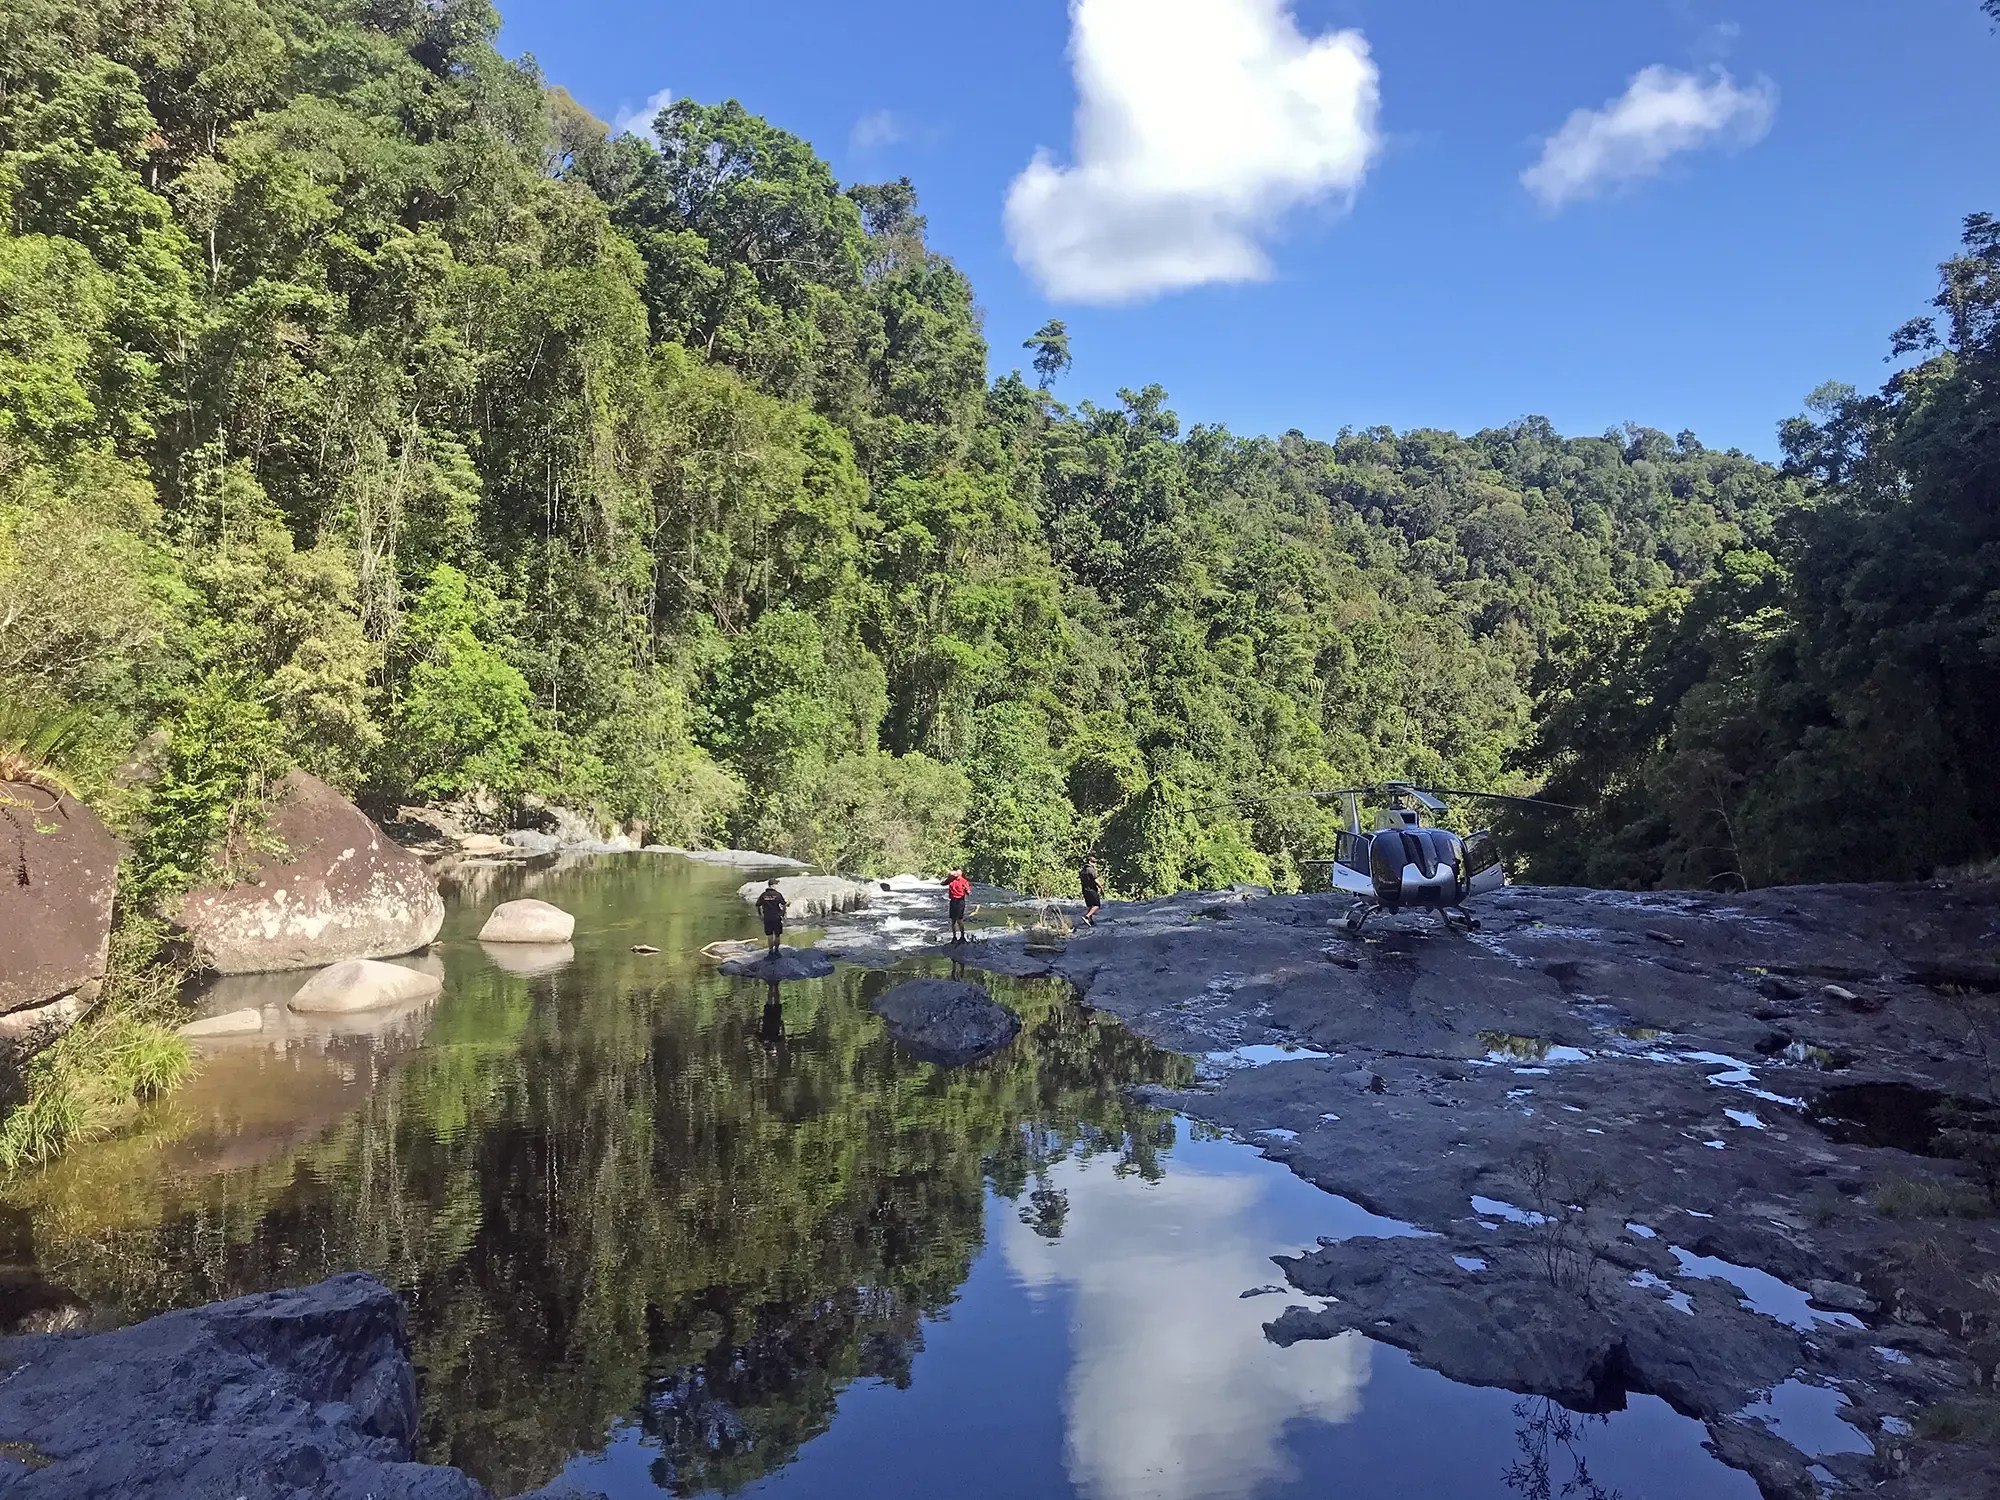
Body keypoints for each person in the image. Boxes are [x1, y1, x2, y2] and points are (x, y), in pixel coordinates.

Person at [755, 878, 788, 956]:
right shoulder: (778, 895)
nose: (777, 885)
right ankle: (776, 950)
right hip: (776, 917)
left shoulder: (763, 895)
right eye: (776, 884)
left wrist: (760, 915)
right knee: (777, 935)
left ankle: (770, 951)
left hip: (767, 917)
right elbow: (784, 904)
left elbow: (757, 905)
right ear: (773, 885)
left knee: (769, 935)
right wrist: (782, 914)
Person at [944, 867, 971, 944]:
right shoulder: (951, 880)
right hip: (953, 901)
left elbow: (968, 892)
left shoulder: (964, 881)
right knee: (953, 920)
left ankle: (962, 936)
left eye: (957, 871)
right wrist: (949, 877)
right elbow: (943, 883)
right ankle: (954, 937)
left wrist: (966, 890)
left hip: (960, 901)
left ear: (961, 872)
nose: (956, 872)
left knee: (959, 919)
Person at [1080, 855, 1104, 926]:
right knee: (1097, 905)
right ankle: (1086, 917)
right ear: (1090, 861)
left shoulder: (1083, 870)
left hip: (1084, 889)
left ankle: (1090, 921)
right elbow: (1096, 880)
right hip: (1091, 889)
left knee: (1090, 905)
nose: (1095, 864)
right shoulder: (1091, 870)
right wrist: (1101, 888)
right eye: (1094, 862)